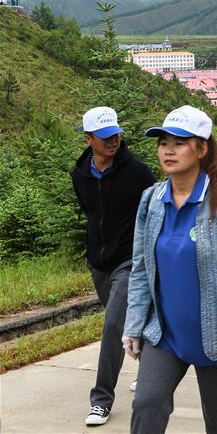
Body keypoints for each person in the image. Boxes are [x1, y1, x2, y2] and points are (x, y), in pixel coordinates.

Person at [124, 106, 217, 434]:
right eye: (163, 141)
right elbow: (141, 267)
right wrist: (134, 323)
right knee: (146, 403)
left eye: (180, 142)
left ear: (202, 148)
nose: (168, 149)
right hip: (164, 333)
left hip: (214, 335)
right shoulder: (151, 200)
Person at [71, 107, 156, 427]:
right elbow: (90, 212)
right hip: (99, 261)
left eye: (116, 135)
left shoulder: (137, 172)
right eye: (105, 137)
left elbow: (152, 213)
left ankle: (101, 399)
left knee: (113, 325)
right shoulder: (79, 173)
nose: (113, 141)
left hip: (130, 259)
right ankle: (151, 368)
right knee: (130, 320)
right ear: (89, 138)